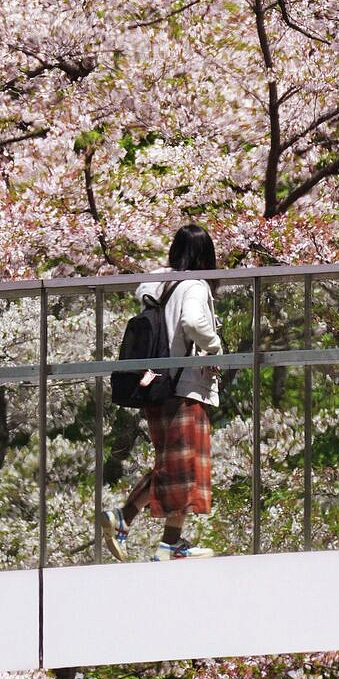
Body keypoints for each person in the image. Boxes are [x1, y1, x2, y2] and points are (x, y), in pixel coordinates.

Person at [100, 224, 224, 560]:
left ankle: (131, 522)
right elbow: (195, 325)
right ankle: (165, 542)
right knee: (183, 467)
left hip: (156, 386)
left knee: (170, 465)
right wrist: (215, 348)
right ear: (206, 257)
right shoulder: (194, 286)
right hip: (185, 388)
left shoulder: (159, 284)